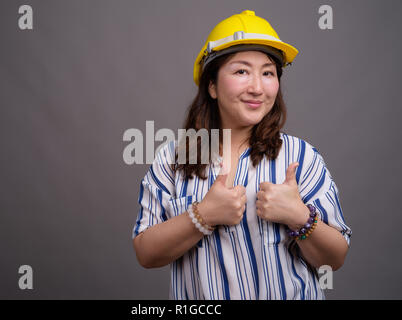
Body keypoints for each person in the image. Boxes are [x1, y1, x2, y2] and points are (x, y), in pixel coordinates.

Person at [132, 10, 352, 300]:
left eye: (268, 73)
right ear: (212, 85)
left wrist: (300, 217)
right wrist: (202, 215)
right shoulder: (172, 159)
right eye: (241, 71)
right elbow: (146, 254)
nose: (257, 88)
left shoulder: (301, 157)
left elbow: (333, 260)